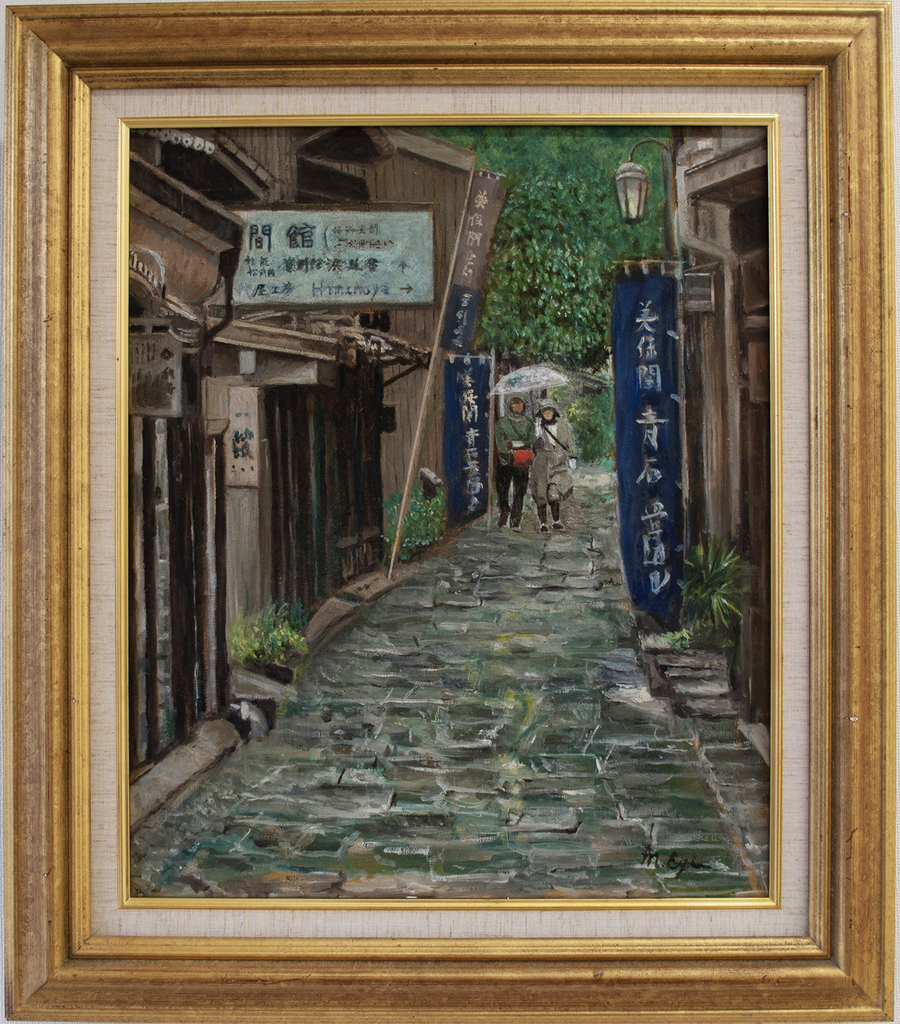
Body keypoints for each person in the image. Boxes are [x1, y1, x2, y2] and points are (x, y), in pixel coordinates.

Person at [531, 401, 576, 532]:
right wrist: (537, 433)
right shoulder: (537, 429)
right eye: (544, 412)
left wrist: (572, 457)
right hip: (541, 464)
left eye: (549, 411)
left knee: (554, 493)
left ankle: (556, 520)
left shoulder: (564, 428)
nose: (547, 414)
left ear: (554, 412)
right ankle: (543, 523)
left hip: (558, 464)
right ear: (541, 414)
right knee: (541, 494)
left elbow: (569, 444)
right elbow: (533, 446)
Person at [494, 393, 537, 530]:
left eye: (519, 403)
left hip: (521, 460)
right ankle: (504, 511)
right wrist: (507, 451)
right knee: (502, 489)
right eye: (514, 403)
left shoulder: (529, 423)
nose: (517, 406)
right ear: (509, 405)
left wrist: (513, 444)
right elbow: (500, 442)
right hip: (505, 460)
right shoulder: (502, 423)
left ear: (524, 405)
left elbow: (531, 440)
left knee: (520, 490)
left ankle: (515, 518)